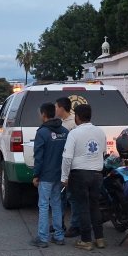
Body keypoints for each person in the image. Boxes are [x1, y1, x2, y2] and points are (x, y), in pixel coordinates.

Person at [61, 103, 106, 251]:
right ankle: (100, 239)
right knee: (94, 206)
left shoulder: (74, 133)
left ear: (77, 117)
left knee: (83, 207)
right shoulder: (100, 132)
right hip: (97, 174)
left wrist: (64, 177)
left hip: (79, 174)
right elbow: (103, 152)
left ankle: (86, 240)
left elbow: (67, 158)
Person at [30, 102, 69, 248]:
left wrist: (36, 175)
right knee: (57, 205)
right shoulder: (65, 131)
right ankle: (59, 236)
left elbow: (38, 156)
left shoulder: (42, 132)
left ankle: (43, 238)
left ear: (44, 114)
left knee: (44, 206)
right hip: (60, 175)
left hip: (46, 175)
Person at [55, 96, 80, 238]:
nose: (55, 109)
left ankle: (75, 225)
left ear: (62, 108)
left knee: (72, 196)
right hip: (61, 164)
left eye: (56, 107)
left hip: (71, 165)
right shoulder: (59, 122)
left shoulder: (73, 123)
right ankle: (59, 223)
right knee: (60, 196)